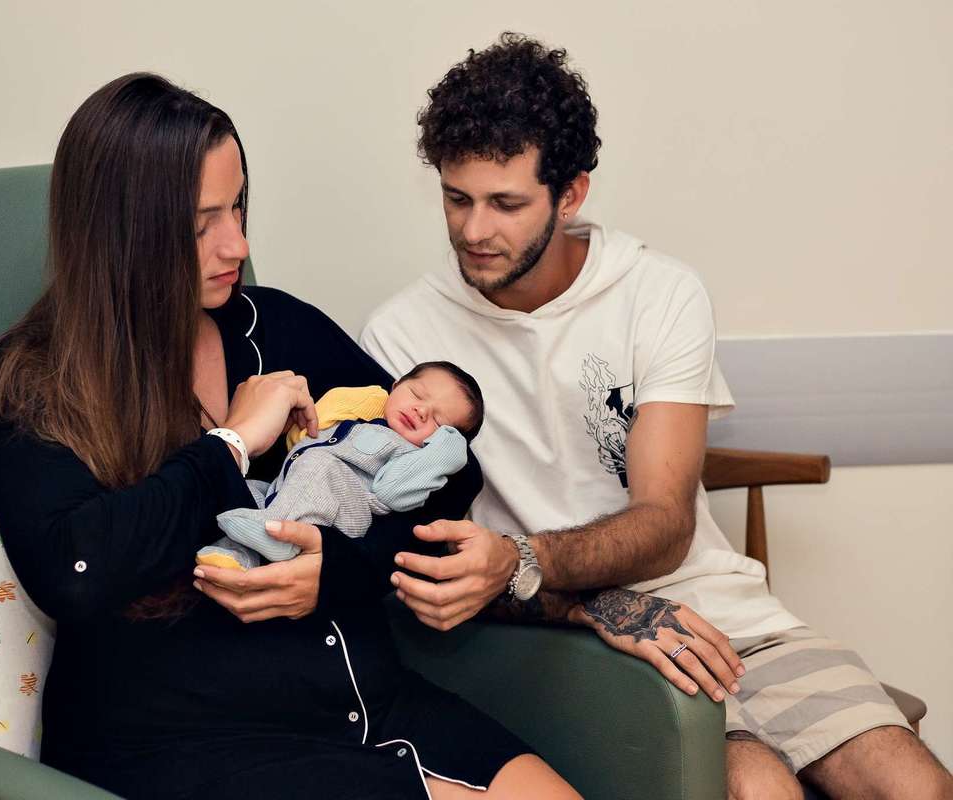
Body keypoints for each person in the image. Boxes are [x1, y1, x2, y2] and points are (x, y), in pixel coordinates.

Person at [360, 34, 953, 799]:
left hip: (724, 607)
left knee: (918, 787)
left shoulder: (657, 293)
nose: (474, 231)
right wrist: (564, 593)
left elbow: (666, 522)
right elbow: (420, 566)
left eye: (506, 203)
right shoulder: (399, 338)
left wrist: (526, 557)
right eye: (457, 197)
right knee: (759, 789)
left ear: (570, 192)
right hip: (567, 635)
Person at [0, 72, 580, 799]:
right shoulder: (35, 378)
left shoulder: (278, 328)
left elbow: (447, 471)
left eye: (237, 207)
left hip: (361, 698)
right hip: (185, 742)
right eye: (202, 223)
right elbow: (74, 572)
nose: (238, 243)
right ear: (121, 229)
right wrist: (230, 444)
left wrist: (336, 568)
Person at [199, 362, 483, 570]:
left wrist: (447, 451)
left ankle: (279, 536)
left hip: (344, 511)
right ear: (395, 386)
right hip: (286, 490)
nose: (421, 411)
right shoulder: (359, 420)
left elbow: (392, 493)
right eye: (417, 395)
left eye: (438, 421)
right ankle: (232, 559)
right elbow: (309, 431)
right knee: (251, 491)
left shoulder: (410, 456)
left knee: (322, 464)